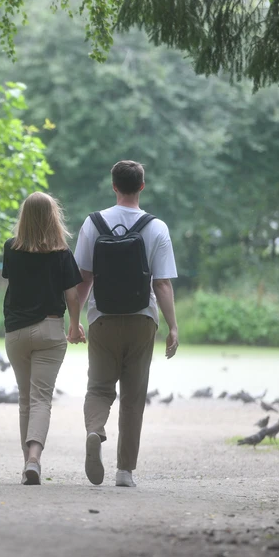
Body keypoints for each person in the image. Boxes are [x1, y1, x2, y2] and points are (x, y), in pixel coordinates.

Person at [72, 160, 179, 489]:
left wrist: (74, 321)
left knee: (99, 388)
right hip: (141, 319)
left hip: (101, 319)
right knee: (133, 396)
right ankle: (124, 472)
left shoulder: (93, 224)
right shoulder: (156, 227)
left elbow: (83, 279)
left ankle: (95, 429)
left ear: (114, 186)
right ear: (142, 187)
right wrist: (173, 327)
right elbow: (161, 284)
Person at [2, 191, 85, 485]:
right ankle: (35, 459)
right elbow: (72, 295)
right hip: (50, 329)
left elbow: (13, 283)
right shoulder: (61, 253)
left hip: (16, 332)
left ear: (23, 217)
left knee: (25, 399)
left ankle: (28, 466)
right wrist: (75, 325)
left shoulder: (11, 248)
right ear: (54, 217)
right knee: (41, 399)